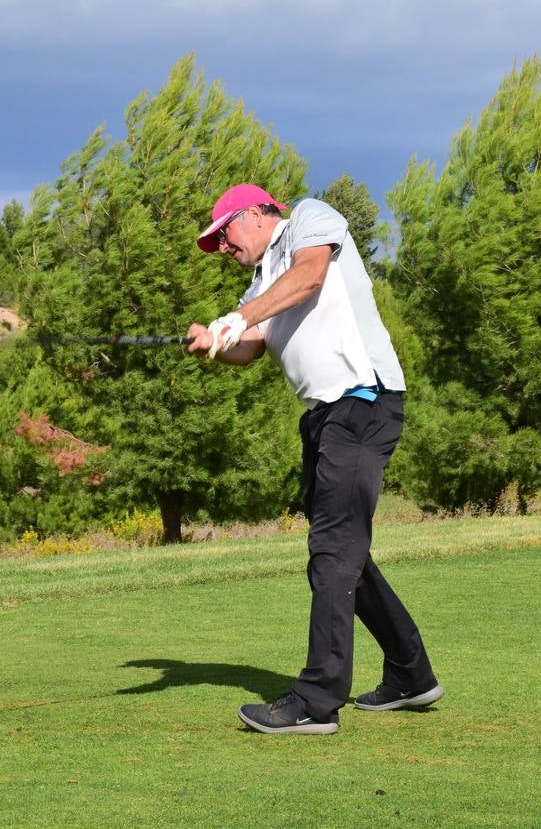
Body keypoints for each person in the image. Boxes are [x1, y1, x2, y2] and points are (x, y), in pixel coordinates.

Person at [189, 183, 443, 735]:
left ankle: (316, 700)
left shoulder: (309, 218)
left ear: (256, 214)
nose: (224, 249)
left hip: (363, 400)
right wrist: (215, 341)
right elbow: (250, 347)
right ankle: (411, 672)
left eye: (224, 234)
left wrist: (237, 316)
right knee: (342, 549)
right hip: (325, 417)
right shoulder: (261, 282)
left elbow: (309, 277)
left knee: (332, 549)